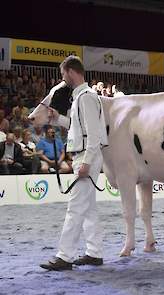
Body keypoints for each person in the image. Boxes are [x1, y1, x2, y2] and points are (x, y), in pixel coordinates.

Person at [40, 55, 108, 271]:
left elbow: (95, 134)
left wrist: (87, 161)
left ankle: (65, 256)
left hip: (86, 156)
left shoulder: (86, 97)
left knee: (75, 207)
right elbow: (77, 126)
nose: (63, 78)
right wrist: (57, 118)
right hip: (84, 154)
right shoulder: (82, 97)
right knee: (88, 208)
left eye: (63, 74)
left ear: (70, 71)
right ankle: (94, 253)